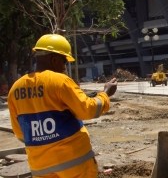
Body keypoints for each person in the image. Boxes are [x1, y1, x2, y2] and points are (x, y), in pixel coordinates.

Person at [7, 34, 118, 178]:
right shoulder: (60, 81)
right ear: (54, 59)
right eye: (64, 62)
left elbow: (21, 133)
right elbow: (88, 109)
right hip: (74, 163)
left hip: (40, 167)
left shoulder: (15, 89)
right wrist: (105, 93)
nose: (64, 67)